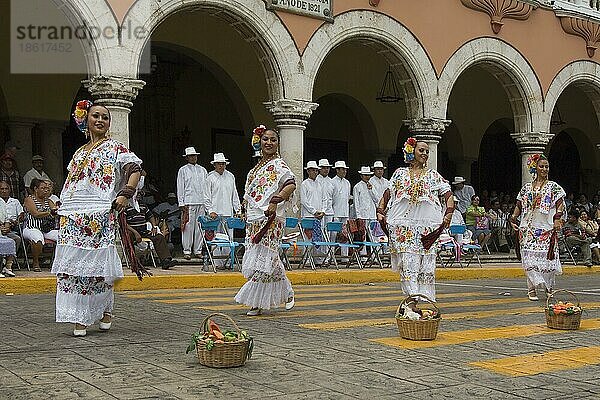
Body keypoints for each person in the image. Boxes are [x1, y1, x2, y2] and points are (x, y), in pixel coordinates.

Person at [51, 100, 142, 336]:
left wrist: (125, 193)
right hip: (72, 217)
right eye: (96, 116)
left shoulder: (115, 147)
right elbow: (72, 182)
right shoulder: (79, 153)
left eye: (105, 117)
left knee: (97, 266)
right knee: (72, 267)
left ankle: (104, 310)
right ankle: (80, 317)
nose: (100, 120)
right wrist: (62, 204)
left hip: (99, 215)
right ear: (85, 120)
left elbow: (134, 170)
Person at [377, 137, 453, 302]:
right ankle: (411, 300)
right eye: (421, 150)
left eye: (427, 151)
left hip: (427, 227)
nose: (425, 153)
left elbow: (447, 194)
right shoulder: (400, 173)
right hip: (404, 227)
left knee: (426, 265)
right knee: (408, 264)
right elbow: (388, 192)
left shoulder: (433, 175)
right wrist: (380, 210)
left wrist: (448, 213)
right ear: (412, 152)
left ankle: (426, 299)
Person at [234, 126, 296, 316]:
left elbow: (290, 184)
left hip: (270, 218)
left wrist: (275, 202)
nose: (269, 142)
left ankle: (256, 302)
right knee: (265, 258)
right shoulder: (255, 169)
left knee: (266, 257)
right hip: (254, 219)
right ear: (259, 142)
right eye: (266, 139)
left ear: (278, 144)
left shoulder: (279, 165)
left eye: (273, 140)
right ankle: (287, 291)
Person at [510, 154, 566, 301]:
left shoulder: (553, 187)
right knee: (529, 258)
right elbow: (519, 205)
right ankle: (531, 289)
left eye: (546, 166)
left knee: (547, 260)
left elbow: (560, 204)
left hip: (546, 228)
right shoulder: (527, 187)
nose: (544, 169)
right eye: (541, 166)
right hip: (528, 228)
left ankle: (549, 288)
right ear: (535, 167)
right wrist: (513, 219)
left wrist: (557, 219)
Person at [205, 153, 241, 267]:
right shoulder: (210, 177)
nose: (221, 166)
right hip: (215, 214)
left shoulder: (230, 176)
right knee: (216, 237)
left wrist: (238, 210)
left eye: (223, 164)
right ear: (214, 165)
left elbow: (234, 195)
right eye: (219, 164)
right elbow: (206, 196)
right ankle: (217, 263)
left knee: (229, 238)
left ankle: (227, 262)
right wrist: (210, 211)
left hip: (228, 212)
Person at [124, 201, 177, 270]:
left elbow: (150, 216)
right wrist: (135, 233)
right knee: (128, 236)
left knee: (159, 237)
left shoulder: (143, 205)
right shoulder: (125, 205)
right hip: (132, 231)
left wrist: (154, 226)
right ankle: (134, 263)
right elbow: (123, 222)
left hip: (143, 231)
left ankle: (165, 261)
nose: (138, 195)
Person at [177, 147, 208, 260]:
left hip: (202, 201)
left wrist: (208, 202)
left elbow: (207, 187)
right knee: (188, 227)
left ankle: (198, 250)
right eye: (191, 156)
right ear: (187, 158)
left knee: (200, 226)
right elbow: (180, 186)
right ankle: (187, 250)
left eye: (194, 155)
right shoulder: (183, 170)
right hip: (188, 202)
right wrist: (181, 202)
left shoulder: (203, 170)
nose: (193, 157)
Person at [22, 179, 59, 272]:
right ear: (35, 189)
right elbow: (35, 214)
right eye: (42, 188)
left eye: (47, 188)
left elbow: (54, 211)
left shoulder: (49, 201)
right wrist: (50, 212)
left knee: (62, 236)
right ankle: (36, 262)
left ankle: (58, 262)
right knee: (37, 237)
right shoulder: (29, 199)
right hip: (31, 227)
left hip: (46, 229)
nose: (45, 190)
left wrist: (55, 211)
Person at [0, 180, 23, 271]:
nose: (4, 191)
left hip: (13, 226)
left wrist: (14, 222)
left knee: (17, 239)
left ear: (10, 190)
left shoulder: (15, 201)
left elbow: (21, 215)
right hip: (2, 227)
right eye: (2, 189)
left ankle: (9, 261)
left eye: (6, 189)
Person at [331, 161, 351, 255]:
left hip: (345, 212)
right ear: (337, 170)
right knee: (333, 234)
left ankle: (344, 256)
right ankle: (330, 255)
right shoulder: (332, 182)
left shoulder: (347, 183)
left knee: (344, 234)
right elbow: (331, 198)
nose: (344, 171)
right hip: (335, 211)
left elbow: (347, 198)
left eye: (345, 170)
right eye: (342, 169)